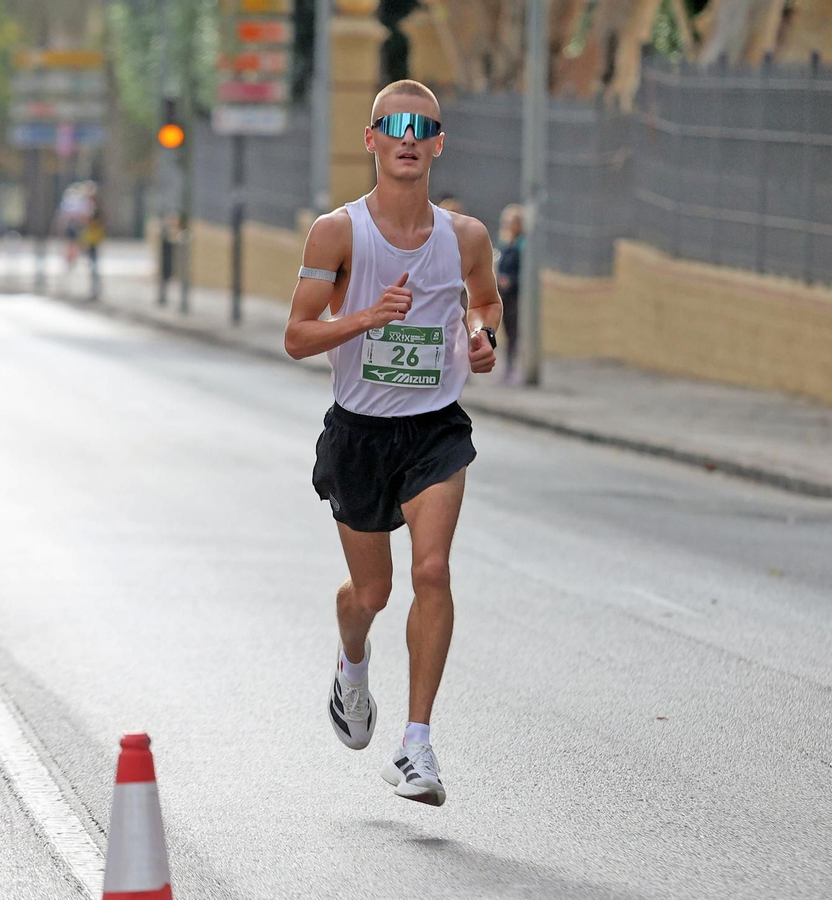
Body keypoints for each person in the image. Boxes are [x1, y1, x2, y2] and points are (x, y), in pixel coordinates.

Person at [284, 79, 502, 808]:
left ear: (438, 144)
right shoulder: (337, 233)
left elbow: (485, 300)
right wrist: (367, 316)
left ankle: (416, 746)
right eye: (394, 125)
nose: (409, 137)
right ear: (371, 139)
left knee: (432, 571)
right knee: (372, 590)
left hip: (435, 429)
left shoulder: (465, 237)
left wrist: (481, 336)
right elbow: (296, 336)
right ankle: (351, 664)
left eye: (424, 126)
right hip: (359, 433)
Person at [495, 204, 524, 380]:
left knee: (515, 332)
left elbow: (524, 272)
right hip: (505, 294)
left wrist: (511, 280)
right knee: (507, 331)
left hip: (517, 294)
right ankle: (508, 367)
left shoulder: (523, 245)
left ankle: (514, 368)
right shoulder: (505, 244)